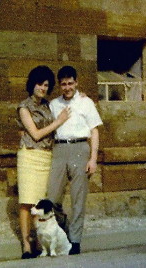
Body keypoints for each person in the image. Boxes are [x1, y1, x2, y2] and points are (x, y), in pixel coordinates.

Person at [47, 65, 103, 255]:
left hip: (80, 148)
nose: (67, 87)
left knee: (78, 198)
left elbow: (94, 130)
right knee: (53, 197)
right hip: (60, 148)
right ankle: (65, 229)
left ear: (76, 83)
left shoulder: (86, 102)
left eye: (71, 83)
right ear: (59, 86)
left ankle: (76, 240)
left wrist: (93, 158)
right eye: (63, 84)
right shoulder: (54, 105)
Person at [16, 65, 71, 259]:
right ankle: (26, 245)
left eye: (46, 85)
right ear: (32, 84)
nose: (42, 88)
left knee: (41, 201)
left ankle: (41, 242)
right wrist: (59, 122)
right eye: (39, 84)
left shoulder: (48, 105)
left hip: (47, 156)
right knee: (26, 201)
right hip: (30, 156)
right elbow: (36, 134)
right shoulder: (24, 107)